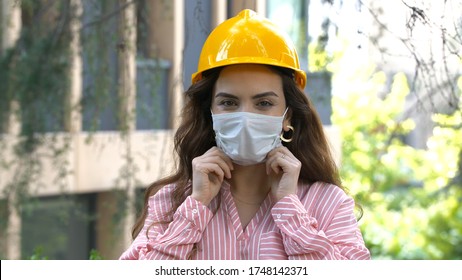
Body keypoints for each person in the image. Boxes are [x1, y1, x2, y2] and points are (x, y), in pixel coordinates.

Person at [119, 9, 370, 260]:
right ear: (210, 114)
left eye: (263, 104)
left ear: (288, 117)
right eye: (229, 103)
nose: (245, 117)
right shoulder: (171, 202)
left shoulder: (328, 203)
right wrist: (195, 206)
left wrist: (290, 210)